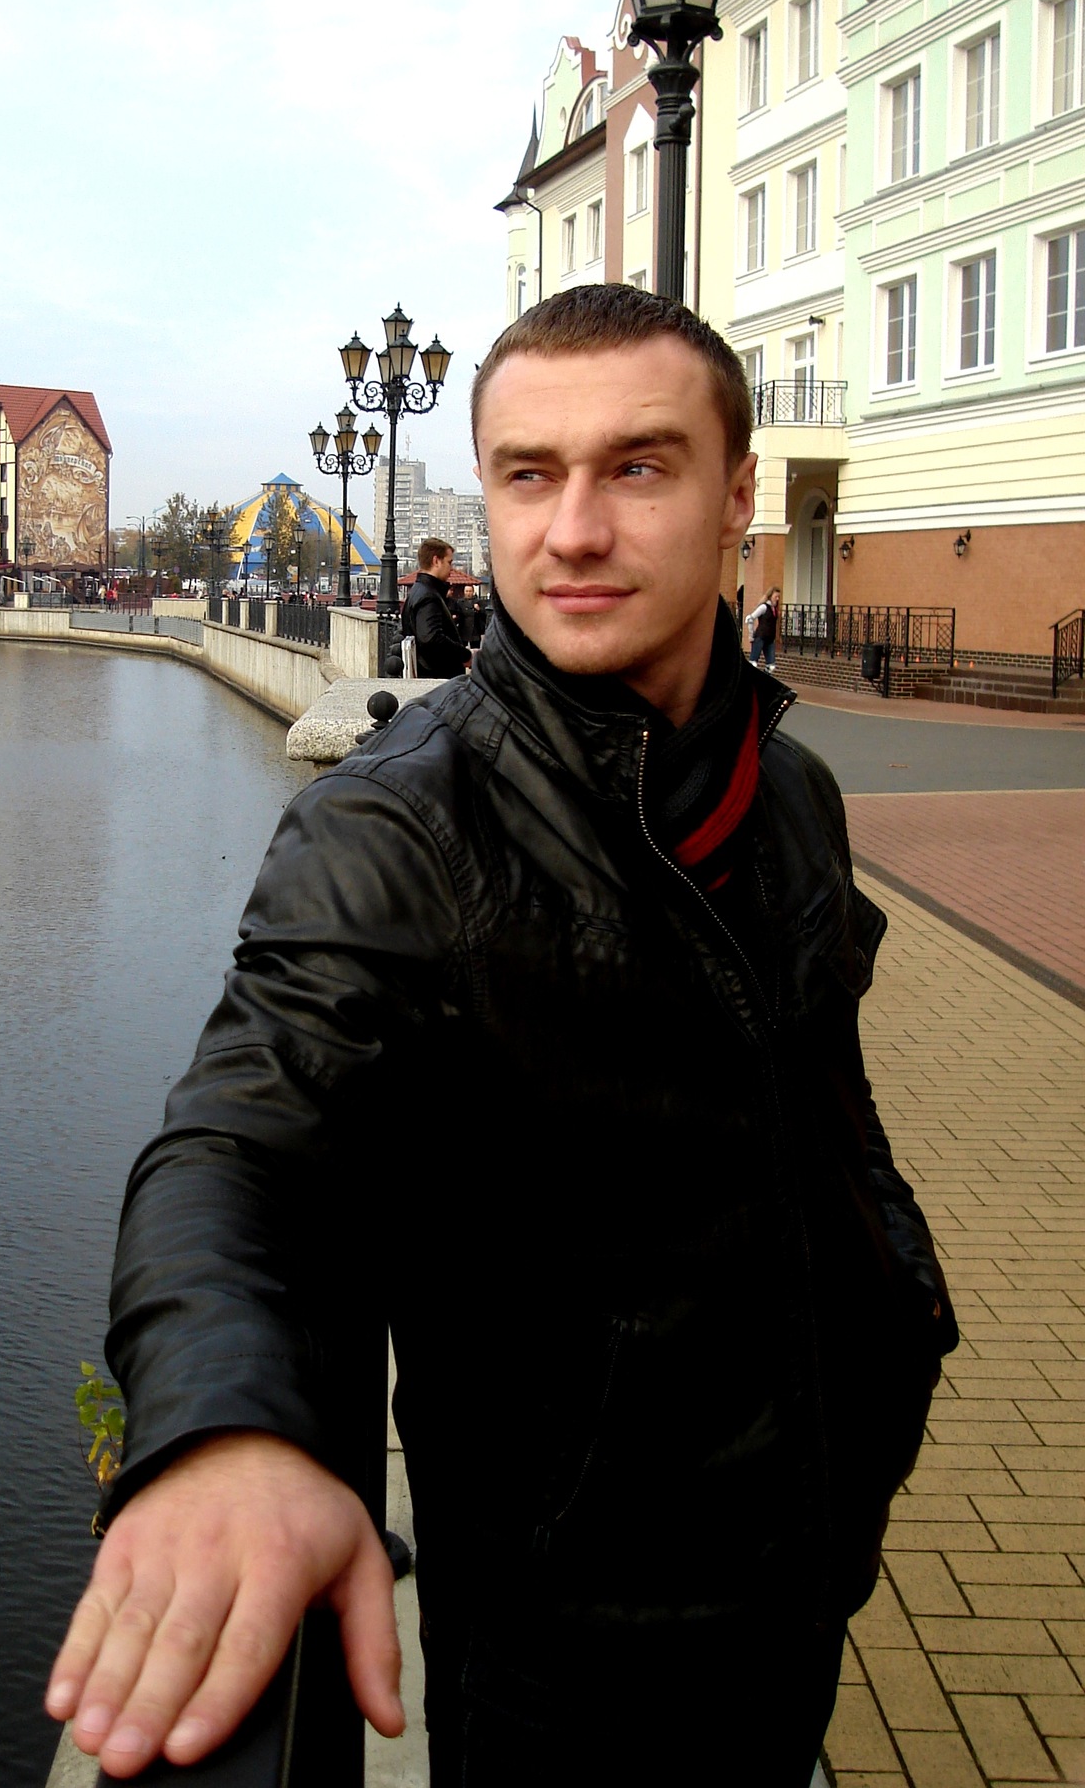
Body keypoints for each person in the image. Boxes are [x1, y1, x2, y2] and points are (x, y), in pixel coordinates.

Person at [46, 285, 955, 1785]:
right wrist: (227, 1432)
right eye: (530, 475)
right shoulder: (398, 827)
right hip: (570, 1651)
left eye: (639, 467)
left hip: (805, 1561)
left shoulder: (790, 790)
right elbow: (237, 1148)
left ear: (739, 495)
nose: (573, 531)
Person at [400, 537, 471, 678]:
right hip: (437, 677)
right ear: (436, 561)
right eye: (449, 562)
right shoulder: (428, 596)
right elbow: (431, 638)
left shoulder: (419, 590)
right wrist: (465, 655)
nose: (451, 568)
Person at [746, 585, 781, 669]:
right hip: (760, 637)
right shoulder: (764, 607)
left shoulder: (775, 610)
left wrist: (777, 637)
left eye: (778, 597)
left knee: (771, 665)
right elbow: (750, 618)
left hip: (770, 639)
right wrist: (751, 634)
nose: (777, 599)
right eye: (776, 597)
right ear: (770, 596)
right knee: (753, 662)